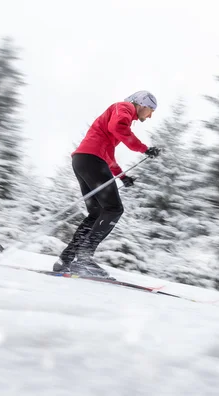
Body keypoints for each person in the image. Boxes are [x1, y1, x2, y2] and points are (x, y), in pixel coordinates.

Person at [53, 91, 161, 278]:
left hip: (83, 160)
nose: (150, 115)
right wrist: (144, 149)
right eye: (151, 110)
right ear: (142, 104)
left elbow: (108, 155)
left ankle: (65, 260)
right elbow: (118, 127)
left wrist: (122, 177)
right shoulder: (124, 108)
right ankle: (84, 259)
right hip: (91, 160)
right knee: (113, 209)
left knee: (96, 214)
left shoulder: (117, 117)